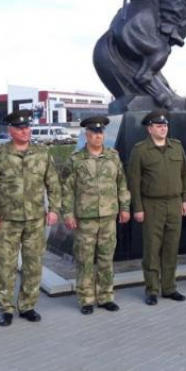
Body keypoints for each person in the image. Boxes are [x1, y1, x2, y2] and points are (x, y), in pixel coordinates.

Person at [0, 109, 61, 326]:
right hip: (6, 220)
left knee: (33, 264)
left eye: (27, 127)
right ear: (11, 130)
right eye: (20, 128)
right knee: (5, 265)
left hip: (35, 219)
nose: (25, 131)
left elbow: (53, 184)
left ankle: (27, 305)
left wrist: (54, 209)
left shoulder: (42, 153)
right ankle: (6, 308)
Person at [61, 116, 130, 315]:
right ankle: (86, 299)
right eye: (94, 133)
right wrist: (68, 213)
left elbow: (122, 184)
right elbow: (67, 189)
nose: (98, 136)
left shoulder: (113, 157)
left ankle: (106, 296)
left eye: (101, 133)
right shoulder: (76, 160)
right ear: (87, 135)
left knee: (106, 258)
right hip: (85, 218)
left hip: (109, 216)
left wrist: (125, 207)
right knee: (85, 259)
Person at [127, 109, 186, 305]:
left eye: (165, 125)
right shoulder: (140, 150)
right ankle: (152, 289)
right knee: (152, 249)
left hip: (174, 203)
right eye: (159, 126)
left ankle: (169, 287)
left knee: (172, 247)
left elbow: (185, 175)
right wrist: (137, 208)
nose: (163, 128)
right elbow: (134, 181)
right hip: (152, 204)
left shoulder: (176, 147)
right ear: (150, 129)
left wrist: (185, 200)